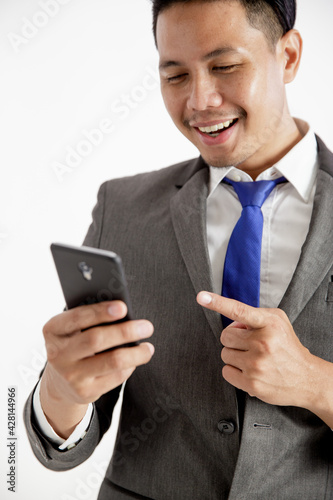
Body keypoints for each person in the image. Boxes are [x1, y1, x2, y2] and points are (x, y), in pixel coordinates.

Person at [24, 0, 333, 498]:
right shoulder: (120, 209)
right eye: (175, 76)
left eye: (225, 66)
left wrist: (318, 384)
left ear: (289, 55)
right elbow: (64, 438)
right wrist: (61, 391)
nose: (200, 101)